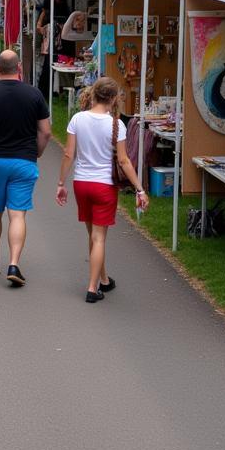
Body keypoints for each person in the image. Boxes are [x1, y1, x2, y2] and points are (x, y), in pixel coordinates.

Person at [56, 77, 148, 302]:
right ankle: (91, 287)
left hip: (82, 183)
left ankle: (104, 279)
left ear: (93, 93)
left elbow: (69, 154)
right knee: (99, 238)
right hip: (104, 185)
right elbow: (124, 161)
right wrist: (140, 189)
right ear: (114, 98)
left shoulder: (77, 119)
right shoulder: (117, 124)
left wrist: (61, 183)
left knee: (92, 234)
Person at [0, 51, 51, 288]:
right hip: (24, 160)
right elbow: (45, 131)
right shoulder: (34, 94)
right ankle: (14, 263)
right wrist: (37, 152)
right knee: (17, 213)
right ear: (19, 68)